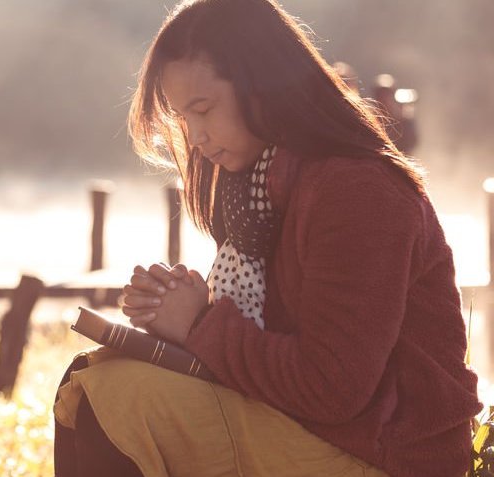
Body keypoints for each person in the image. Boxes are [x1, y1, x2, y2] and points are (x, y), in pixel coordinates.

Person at [52, 1, 481, 476]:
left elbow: (332, 387)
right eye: (182, 116)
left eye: (203, 109)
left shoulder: (357, 190)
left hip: (386, 455)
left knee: (118, 398)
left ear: (263, 86)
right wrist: (170, 318)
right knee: (92, 376)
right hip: (312, 428)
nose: (193, 135)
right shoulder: (256, 187)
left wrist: (199, 324)